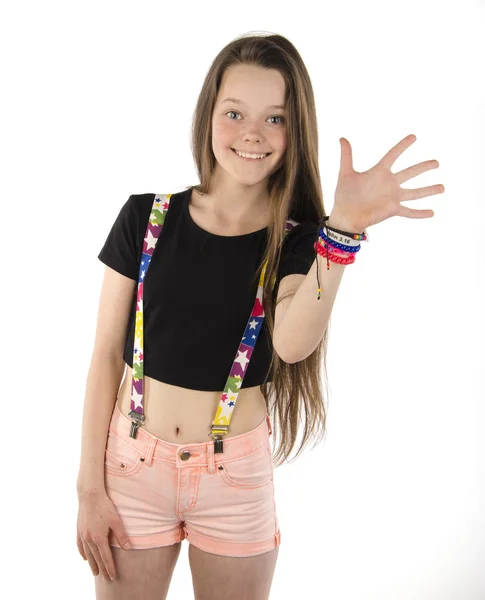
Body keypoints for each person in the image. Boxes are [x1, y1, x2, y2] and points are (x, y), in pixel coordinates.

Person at [76, 32, 444, 600]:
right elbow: (104, 357)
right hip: (130, 468)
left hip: (234, 480)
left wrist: (341, 231)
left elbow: (293, 343)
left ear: (297, 132)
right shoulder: (144, 219)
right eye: (235, 113)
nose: (253, 133)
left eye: (275, 119)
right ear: (208, 117)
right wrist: (89, 490)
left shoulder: (300, 243)